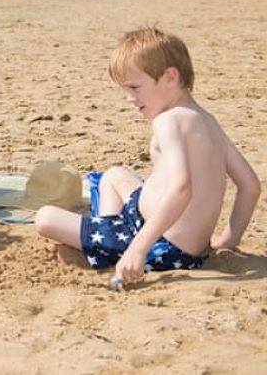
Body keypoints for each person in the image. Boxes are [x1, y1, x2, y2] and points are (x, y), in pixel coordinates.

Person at [35, 28, 261, 285]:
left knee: (45, 218)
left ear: (170, 77)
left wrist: (138, 249)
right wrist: (229, 240)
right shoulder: (206, 120)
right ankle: (107, 237)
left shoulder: (168, 121)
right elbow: (250, 186)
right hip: (184, 244)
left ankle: (111, 249)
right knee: (114, 176)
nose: (129, 98)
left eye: (135, 88)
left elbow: (181, 188)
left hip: (162, 245)